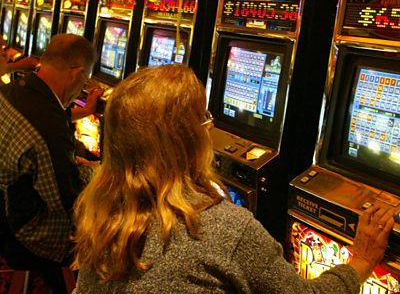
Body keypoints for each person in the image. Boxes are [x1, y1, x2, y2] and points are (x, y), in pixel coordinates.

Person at [72, 64, 395, 294]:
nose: (211, 126)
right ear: (186, 140)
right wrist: (362, 261)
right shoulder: (224, 228)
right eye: (203, 118)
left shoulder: (102, 214)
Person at [0, 33, 98, 293]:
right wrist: (96, 173)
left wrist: (67, 160)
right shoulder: (48, 130)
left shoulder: (13, 90)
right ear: (76, 74)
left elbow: (47, 116)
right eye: (86, 79)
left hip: (8, 212)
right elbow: (69, 199)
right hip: (27, 234)